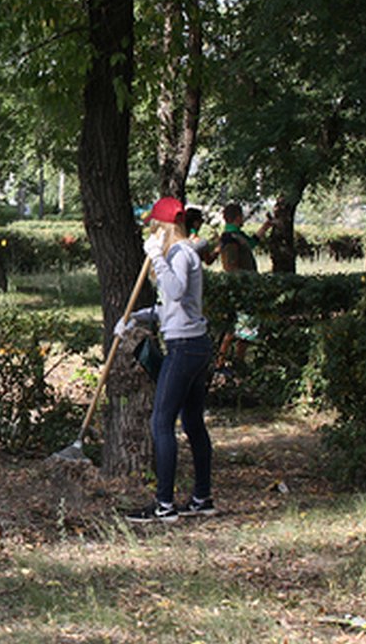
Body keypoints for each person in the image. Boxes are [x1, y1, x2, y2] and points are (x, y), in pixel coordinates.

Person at [119, 196, 215, 523]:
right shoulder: (183, 253)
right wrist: (135, 318)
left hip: (185, 348)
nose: (152, 232)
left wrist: (157, 257)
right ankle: (202, 498)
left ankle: (164, 505)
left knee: (161, 422)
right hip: (193, 344)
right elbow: (172, 307)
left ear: (164, 227)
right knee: (192, 423)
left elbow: (174, 290)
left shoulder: (180, 253)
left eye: (154, 227)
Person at [215, 203, 271, 369]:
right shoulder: (230, 238)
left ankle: (233, 361)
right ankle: (225, 363)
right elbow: (230, 266)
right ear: (238, 217)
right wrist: (245, 280)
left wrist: (266, 226)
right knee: (239, 326)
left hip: (243, 287)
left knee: (242, 327)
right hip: (242, 288)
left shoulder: (236, 236)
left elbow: (251, 243)